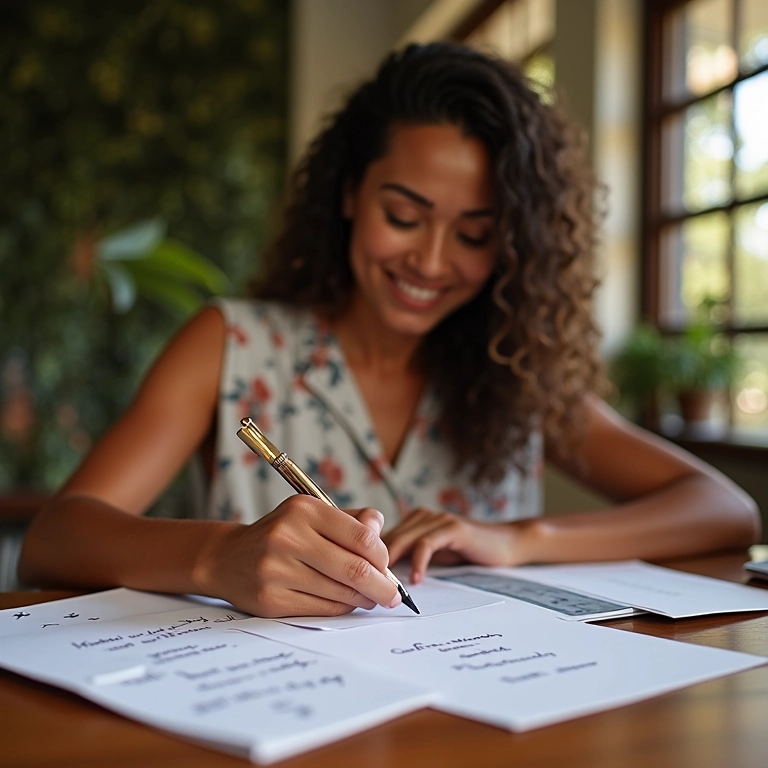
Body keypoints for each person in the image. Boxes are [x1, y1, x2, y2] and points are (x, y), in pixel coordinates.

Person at [19, 42, 760, 618]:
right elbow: (53, 542)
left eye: (474, 234)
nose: (431, 262)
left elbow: (725, 512)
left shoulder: (511, 369)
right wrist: (218, 557)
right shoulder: (232, 345)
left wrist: (520, 541)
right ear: (348, 193)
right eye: (403, 217)